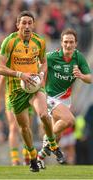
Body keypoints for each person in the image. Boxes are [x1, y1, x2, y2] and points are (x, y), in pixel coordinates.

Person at [0, 11, 62, 172]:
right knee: (24, 128)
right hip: (16, 90)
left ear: (33, 25)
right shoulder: (9, 42)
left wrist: (41, 74)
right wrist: (20, 75)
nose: (26, 26)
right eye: (23, 23)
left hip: (35, 86)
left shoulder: (39, 41)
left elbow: (44, 63)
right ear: (17, 25)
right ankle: (32, 157)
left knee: (44, 115)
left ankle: (53, 144)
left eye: (29, 23)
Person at [37, 28, 92, 168]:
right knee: (70, 120)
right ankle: (46, 137)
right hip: (50, 97)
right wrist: (40, 88)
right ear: (61, 43)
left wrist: (81, 75)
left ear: (76, 44)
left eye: (71, 42)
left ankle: (39, 158)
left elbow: (90, 78)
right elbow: (40, 71)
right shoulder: (51, 57)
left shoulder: (78, 58)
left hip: (65, 100)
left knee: (58, 137)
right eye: (66, 42)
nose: (68, 45)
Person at [0, 75, 32, 166]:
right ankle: (15, 159)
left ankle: (26, 155)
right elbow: (1, 80)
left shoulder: (32, 61)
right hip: (12, 96)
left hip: (28, 95)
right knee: (13, 127)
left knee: (27, 127)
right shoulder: (10, 61)